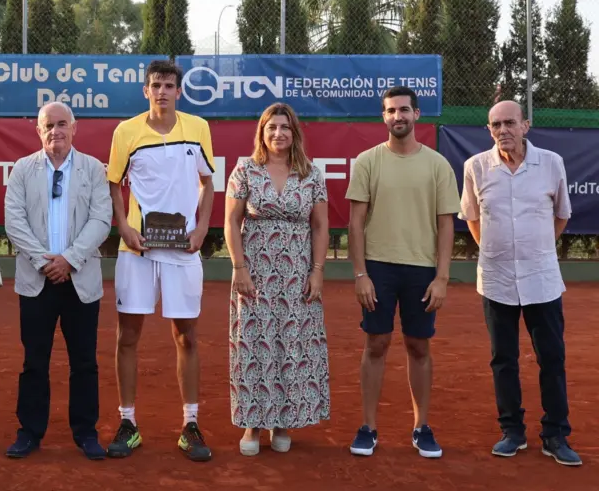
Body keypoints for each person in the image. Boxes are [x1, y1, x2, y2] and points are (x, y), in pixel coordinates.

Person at [458, 100, 581, 466]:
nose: (503, 131)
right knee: (503, 359)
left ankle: (555, 434)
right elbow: (472, 217)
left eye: (510, 123)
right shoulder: (475, 166)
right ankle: (512, 431)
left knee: (552, 358)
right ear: (489, 130)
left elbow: (561, 215)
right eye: (495, 125)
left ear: (525, 125)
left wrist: (537, 249)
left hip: (542, 279)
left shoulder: (551, 163)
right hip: (496, 280)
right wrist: (494, 252)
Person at [105, 59, 216, 462]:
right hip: (137, 250)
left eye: (169, 85)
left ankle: (190, 424)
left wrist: (202, 230)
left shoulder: (198, 128)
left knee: (186, 336)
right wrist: (124, 227)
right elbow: (114, 185)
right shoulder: (126, 131)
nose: (163, 92)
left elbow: (208, 184)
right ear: (146, 90)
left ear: (179, 91)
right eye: (156, 85)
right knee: (128, 336)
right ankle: (128, 422)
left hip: (182, 250)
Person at [345, 85, 460, 459]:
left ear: (416, 114)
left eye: (404, 110)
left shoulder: (438, 165)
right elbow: (355, 223)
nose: (398, 116)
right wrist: (360, 274)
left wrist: (441, 277)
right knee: (376, 344)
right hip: (377, 268)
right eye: (391, 110)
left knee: (418, 346)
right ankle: (368, 428)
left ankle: (421, 427)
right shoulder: (367, 161)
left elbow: (446, 225)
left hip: (422, 270)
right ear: (384, 116)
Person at [2, 102, 113, 460]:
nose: (56, 131)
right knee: (34, 361)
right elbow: (14, 221)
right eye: (48, 125)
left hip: (80, 280)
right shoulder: (22, 169)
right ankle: (29, 432)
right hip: (37, 281)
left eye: (62, 124)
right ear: (39, 131)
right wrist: (43, 261)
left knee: (85, 362)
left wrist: (70, 259)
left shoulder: (93, 169)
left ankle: (86, 433)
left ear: (74, 128)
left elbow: (101, 219)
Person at [224, 102, 331, 456]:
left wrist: (317, 272)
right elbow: (231, 222)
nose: (278, 133)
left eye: (285, 127)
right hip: (254, 273)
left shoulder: (311, 174)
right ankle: (253, 425)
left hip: (297, 275)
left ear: (294, 132)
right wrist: (239, 268)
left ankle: (282, 423)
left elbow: (320, 226)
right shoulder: (245, 169)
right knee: (255, 344)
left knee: (291, 346)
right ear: (262, 132)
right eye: (271, 127)